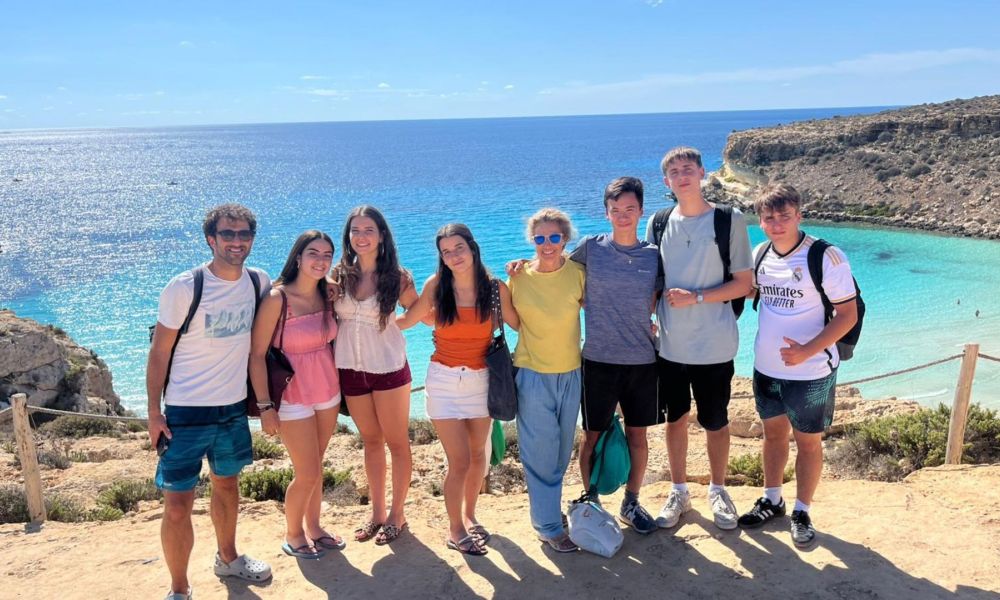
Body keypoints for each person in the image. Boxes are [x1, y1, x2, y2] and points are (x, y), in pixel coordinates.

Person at [147, 203, 272, 600]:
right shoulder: (185, 287)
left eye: (244, 234)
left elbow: (294, 294)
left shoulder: (258, 281)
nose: (236, 241)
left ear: (252, 239)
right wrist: (153, 412)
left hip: (233, 408)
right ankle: (179, 588)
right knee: (177, 504)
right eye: (227, 234)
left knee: (228, 486)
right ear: (210, 239)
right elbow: (159, 352)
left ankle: (228, 558)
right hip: (184, 412)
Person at [737, 183, 858, 547]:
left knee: (808, 443)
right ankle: (772, 500)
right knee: (773, 435)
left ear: (799, 216)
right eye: (769, 218)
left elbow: (848, 315)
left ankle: (802, 510)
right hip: (766, 367)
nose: (776, 224)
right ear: (760, 221)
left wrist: (807, 350)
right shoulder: (760, 253)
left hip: (811, 371)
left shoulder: (826, 256)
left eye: (784, 216)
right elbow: (753, 291)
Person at [645, 147, 752, 532]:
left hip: (715, 344)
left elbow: (744, 283)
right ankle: (679, 492)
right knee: (675, 420)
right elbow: (652, 282)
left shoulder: (728, 219)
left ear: (702, 172)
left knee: (715, 422)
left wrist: (697, 298)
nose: (682, 175)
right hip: (671, 345)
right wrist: (643, 321)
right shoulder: (658, 222)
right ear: (666, 181)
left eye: (688, 168)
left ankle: (718, 491)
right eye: (674, 171)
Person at [397, 223, 519, 556]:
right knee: (460, 461)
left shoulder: (495, 288)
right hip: (444, 383)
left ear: (472, 248)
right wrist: (362, 324)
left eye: (459, 248)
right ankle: (456, 530)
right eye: (446, 251)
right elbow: (407, 321)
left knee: (478, 456)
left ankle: (469, 515)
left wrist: (527, 276)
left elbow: (520, 323)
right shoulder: (437, 285)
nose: (453, 256)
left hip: (482, 381)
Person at [571, 177, 663, 535]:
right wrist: (522, 267)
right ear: (606, 213)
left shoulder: (653, 255)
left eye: (630, 208)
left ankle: (631, 502)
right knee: (591, 436)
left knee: (638, 436)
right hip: (598, 361)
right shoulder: (590, 248)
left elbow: (659, 301)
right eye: (615, 209)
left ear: (641, 211)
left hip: (642, 361)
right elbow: (558, 277)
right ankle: (591, 501)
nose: (623, 215)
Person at [249, 230, 343, 559]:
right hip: (291, 395)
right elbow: (256, 355)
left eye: (327, 255)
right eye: (313, 253)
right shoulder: (278, 299)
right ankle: (293, 534)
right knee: (307, 472)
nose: (321, 260)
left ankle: (314, 527)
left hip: (328, 389)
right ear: (298, 257)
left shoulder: (327, 294)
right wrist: (265, 407)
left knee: (316, 464)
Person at [329, 206, 418, 545]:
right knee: (370, 441)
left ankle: (398, 514)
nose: (361, 236)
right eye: (355, 230)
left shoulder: (397, 277)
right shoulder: (340, 274)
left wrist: (399, 324)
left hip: (388, 368)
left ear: (381, 235)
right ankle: (377, 513)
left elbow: (420, 310)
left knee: (397, 442)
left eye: (368, 230)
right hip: (350, 369)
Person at [508, 208, 586, 552]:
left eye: (554, 237)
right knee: (540, 455)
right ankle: (549, 527)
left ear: (565, 239)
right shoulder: (519, 276)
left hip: (571, 373)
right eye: (539, 238)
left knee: (560, 453)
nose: (547, 244)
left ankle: (550, 513)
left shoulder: (578, 274)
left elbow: (598, 310)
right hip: (532, 375)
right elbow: (511, 320)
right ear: (532, 241)